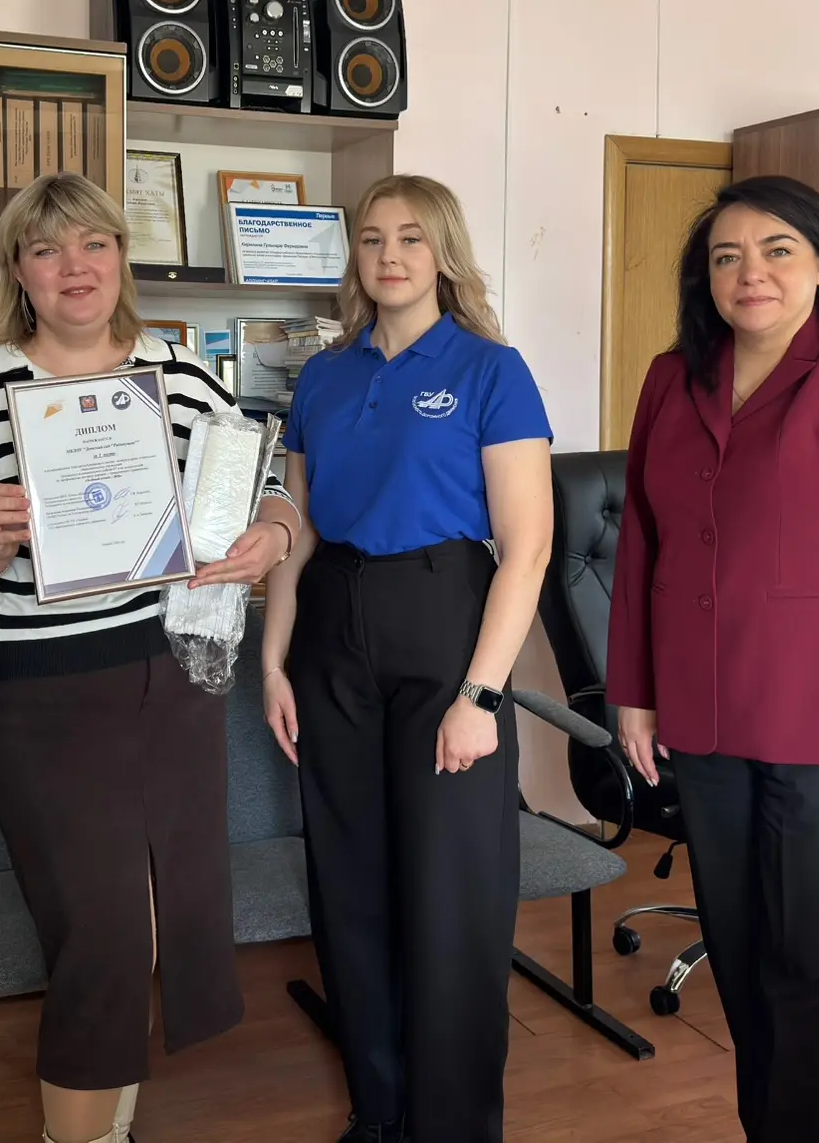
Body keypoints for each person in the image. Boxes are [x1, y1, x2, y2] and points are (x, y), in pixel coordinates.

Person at [0, 170, 301, 1143]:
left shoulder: (184, 377)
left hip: (171, 677)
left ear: (121, 257)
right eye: (46, 249)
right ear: (18, 271)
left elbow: (268, 491)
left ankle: (106, 1131)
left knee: (160, 924)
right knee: (103, 936)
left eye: (92, 244)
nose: (73, 267)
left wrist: (274, 536)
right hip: (39, 693)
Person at [608, 174, 819, 1143]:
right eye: (726, 257)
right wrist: (634, 690)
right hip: (706, 724)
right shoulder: (671, 379)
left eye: (776, 251)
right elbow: (642, 544)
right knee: (745, 960)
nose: (748, 273)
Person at [260, 174, 554, 1143]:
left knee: (451, 891)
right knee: (349, 883)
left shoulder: (490, 370)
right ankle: (378, 1110)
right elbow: (298, 529)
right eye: (373, 238)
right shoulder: (323, 377)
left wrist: (481, 695)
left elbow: (528, 548)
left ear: (444, 253)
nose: (390, 255)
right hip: (332, 627)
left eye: (412, 238)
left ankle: (453, 1124)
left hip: (445, 622)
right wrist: (273, 660)